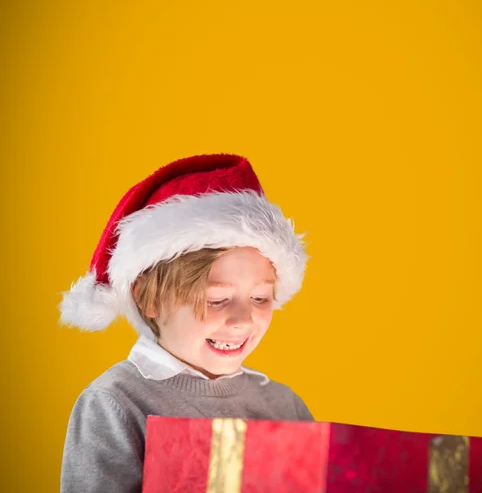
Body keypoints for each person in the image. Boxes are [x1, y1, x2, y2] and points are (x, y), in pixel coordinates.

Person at [59, 154, 313, 492]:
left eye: (260, 298)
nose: (242, 320)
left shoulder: (284, 406)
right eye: (216, 300)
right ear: (149, 299)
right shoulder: (116, 403)